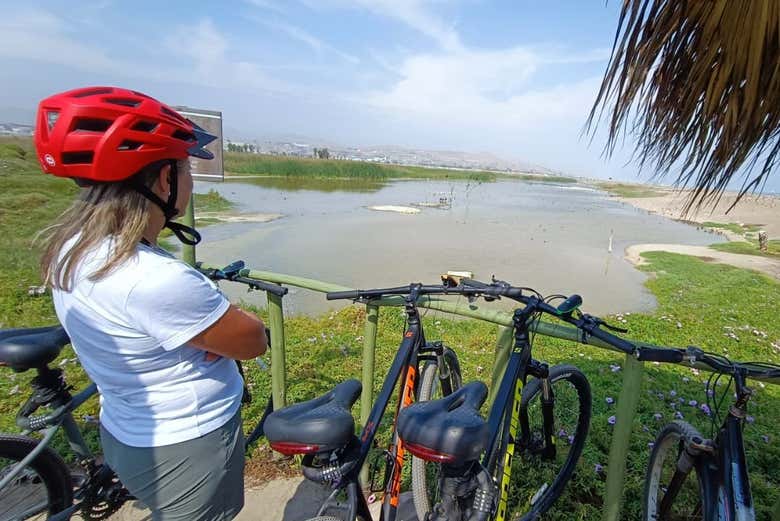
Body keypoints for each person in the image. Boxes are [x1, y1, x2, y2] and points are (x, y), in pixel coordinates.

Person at [35, 86, 267, 521]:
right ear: (165, 179)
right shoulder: (152, 278)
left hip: (126, 428)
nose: (190, 182)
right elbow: (253, 340)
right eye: (185, 171)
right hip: (187, 445)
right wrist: (225, 321)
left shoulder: (74, 249)